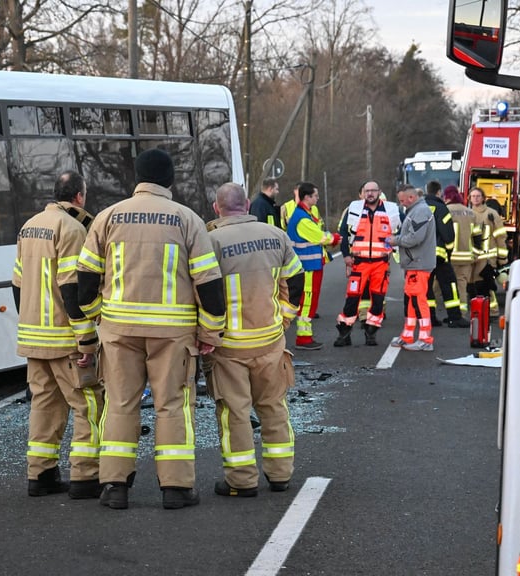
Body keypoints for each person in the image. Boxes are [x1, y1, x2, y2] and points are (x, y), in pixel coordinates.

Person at [77, 148, 226, 511]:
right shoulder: (187, 219)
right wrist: (209, 332)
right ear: (170, 179)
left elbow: (83, 282)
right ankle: (175, 489)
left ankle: (114, 486)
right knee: (172, 406)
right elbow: (209, 285)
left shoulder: (108, 217)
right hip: (172, 334)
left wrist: (100, 316)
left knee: (120, 404)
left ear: (137, 178)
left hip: (119, 330)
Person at [12, 171, 106, 499]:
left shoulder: (30, 225)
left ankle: (41, 474)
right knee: (89, 404)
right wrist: (87, 340)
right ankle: (86, 476)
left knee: (44, 404)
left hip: (34, 337)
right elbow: (71, 290)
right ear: (79, 197)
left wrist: (27, 324)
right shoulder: (72, 229)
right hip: (63, 339)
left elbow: (18, 284)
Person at [206, 182, 303, 497]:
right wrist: (286, 316)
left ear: (216, 208)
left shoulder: (211, 241)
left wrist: (206, 334)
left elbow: (202, 294)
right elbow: (296, 278)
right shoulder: (276, 235)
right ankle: (280, 475)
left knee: (234, 412)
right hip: (270, 340)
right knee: (274, 407)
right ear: (247, 205)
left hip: (229, 346)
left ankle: (242, 481)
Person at [333, 181, 401, 347]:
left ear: (379, 192)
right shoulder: (354, 209)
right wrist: (346, 256)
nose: (370, 193)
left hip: (381, 264)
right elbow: (343, 234)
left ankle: (371, 332)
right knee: (352, 299)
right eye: (367, 191)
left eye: (373, 190)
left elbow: (403, 231)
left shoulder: (391, 210)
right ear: (362, 193)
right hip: (359, 263)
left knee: (377, 300)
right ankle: (344, 333)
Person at [286, 182, 340, 350]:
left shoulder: (304, 214)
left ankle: (305, 336)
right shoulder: (302, 218)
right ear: (307, 197)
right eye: (315, 195)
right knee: (307, 301)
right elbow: (319, 237)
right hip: (307, 267)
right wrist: (336, 238)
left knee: (308, 301)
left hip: (310, 265)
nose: (317, 198)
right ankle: (303, 338)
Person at [385, 185, 436, 351]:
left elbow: (415, 238)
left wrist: (396, 240)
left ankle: (425, 339)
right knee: (412, 301)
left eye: (402, 200)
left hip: (418, 263)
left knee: (418, 301)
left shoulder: (420, 211)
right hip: (415, 263)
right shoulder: (415, 210)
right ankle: (408, 335)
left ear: (411, 198)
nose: (401, 204)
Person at [423, 180, 468, 328]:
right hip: (439, 255)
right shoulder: (441, 208)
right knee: (449, 285)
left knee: (427, 287)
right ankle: (454, 317)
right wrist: (447, 252)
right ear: (438, 192)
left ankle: (429, 317)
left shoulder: (418, 207)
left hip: (422, 257)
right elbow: (448, 234)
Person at [469, 187, 508, 311]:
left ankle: (491, 311)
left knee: (485, 285)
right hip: (474, 256)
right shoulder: (468, 213)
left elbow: (500, 236)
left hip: (488, 257)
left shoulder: (491, 214)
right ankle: (482, 310)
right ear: (469, 198)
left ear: (483, 198)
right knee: (475, 285)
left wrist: (502, 259)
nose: (475, 198)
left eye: (478, 196)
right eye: (473, 196)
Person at [443, 185, 479, 312]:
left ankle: (434, 313)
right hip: (465, 257)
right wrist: (476, 254)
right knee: (462, 285)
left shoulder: (444, 210)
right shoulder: (471, 213)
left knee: (439, 285)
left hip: (448, 256)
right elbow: (477, 236)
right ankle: (462, 311)